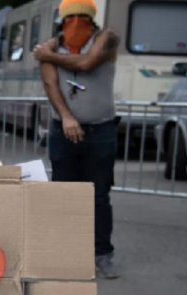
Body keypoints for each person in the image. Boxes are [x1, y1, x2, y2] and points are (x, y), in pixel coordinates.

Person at [33, 0, 120, 279]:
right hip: (63, 131)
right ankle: (63, 253)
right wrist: (67, 117)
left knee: (98, 196)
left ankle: (102, 254)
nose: (76, 23)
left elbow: (86, 62)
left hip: (101, 130)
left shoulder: (106, 38)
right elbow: (51, 84)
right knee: (63, 194)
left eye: (83, 17)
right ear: (62, 20)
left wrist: (46, 55)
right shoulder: (51, 45)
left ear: (92, 20)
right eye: (72, 18)